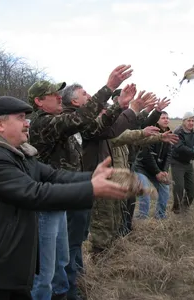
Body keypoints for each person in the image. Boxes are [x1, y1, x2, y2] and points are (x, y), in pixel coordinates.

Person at [0, 96, 128, 300]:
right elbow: (34, 193)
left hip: (7, 264)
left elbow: (53, 175)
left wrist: (91, 177)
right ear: (0, 124)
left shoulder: (20, 154)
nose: (27, 123)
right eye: (21, 118)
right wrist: (90, 189)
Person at [28, 65, 133, 300]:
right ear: (38, 102)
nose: (58, 97)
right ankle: (63, 293)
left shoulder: (61, 121)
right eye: (52, 94)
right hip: (50, 200)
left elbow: (95, 126)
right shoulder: (44, 123)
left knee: (64, 255)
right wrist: (109, 88)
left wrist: (120, 106)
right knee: (48, 265)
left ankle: (70, 291)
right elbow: (81, 118)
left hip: (69, 192)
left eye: (59, 93)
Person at [82, 87, 158, 254]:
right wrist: (135, 110)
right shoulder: (96, 130)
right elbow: (126, 133)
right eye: (102, 110)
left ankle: (112, 246)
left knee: (117, 214)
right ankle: (100, 254)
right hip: (101, 180)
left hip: (115, 177)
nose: (105, 112)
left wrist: (153, 129)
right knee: (103, 220)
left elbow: (132, 129)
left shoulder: (105, 130)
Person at [134, 111, 174, 219]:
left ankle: (160, 215)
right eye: (163, 118)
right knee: (145, 191)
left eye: (167, 118)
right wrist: (157, 172)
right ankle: (142, 217)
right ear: (157, 120)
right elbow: (148, 155)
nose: (166, 120)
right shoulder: (152, 132)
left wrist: (164, 171)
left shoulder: (169, 133)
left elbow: (169, 154)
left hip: (157, 170)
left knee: (165, 188)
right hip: (142, 167)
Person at [170, 112, 194, 214]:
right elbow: (180, 148)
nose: (191, 123)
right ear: (183, 121)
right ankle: (176, 209)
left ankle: (185, 208)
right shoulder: (177, 132)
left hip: (189, 164)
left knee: (191, 189)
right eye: (189, 120)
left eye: (193, 121)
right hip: (177, 163)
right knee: (179, 188)